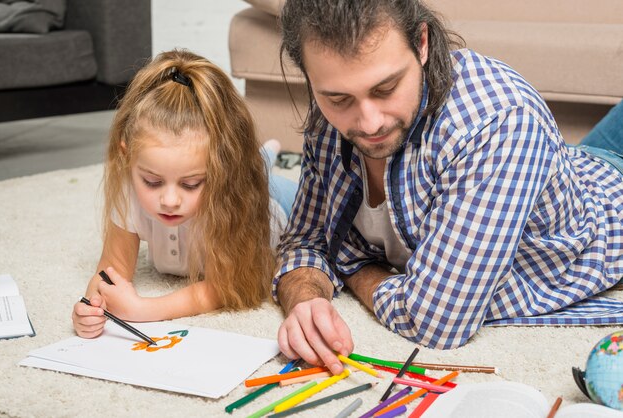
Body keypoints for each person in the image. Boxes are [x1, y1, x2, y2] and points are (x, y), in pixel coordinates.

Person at [273, 0, 623, 374]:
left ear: (422, 42)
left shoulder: (501, 122)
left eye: (386, 88)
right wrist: (306, 299)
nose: (369, 122)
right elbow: (305, 242)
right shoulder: (329, 113)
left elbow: (435, 320)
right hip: (567, 162)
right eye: (339, 99)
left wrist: (355, 270)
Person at [72, 49, 298, 338]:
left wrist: (144, 309)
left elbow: (229, 287)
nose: (169, 200)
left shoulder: (230, 195)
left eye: (190, 184)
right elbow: (110, 275)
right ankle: (264, 156)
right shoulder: (129, 187)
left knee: (269, 180)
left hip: (281, 202)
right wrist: (91, 308)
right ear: (127, 156)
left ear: (223, 171)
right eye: (152, 182)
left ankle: (263, 159)